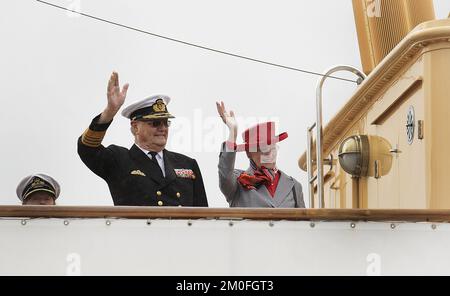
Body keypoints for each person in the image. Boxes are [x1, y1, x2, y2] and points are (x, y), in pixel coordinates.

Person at [77, 72, 208, 207]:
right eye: (155, 123)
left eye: (165, 122)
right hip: (139, 228)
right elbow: (87, 149)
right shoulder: (119, 160)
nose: (162, 128)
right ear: (135, 127)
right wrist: (109, 112)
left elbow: (203, 214)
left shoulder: (187, 164)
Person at [216, 101, 305, 208]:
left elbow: (303, 222)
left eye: (273, 148)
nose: (271, 155)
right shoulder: (238, 182)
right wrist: (233, 132)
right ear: (249, 153)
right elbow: (225, 173)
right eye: (265, 150)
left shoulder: (294, 186)